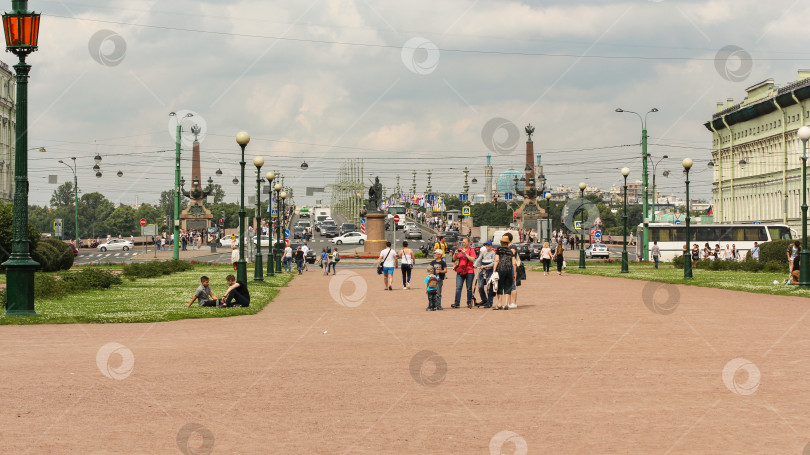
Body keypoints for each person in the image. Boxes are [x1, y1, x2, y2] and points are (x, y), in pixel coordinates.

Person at [452, 237, 477, 308]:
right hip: (460, 270)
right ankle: (457, 302)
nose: (464, 244)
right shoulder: (460, 249)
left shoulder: (471, 250)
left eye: (465, 242)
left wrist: (465, 254)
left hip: (469, 270)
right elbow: (454, 259)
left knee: (469, 287)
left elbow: (472, 259)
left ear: (469, 243)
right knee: (458, 287)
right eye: (463, 242)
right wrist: (455, 254)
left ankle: (469, 302)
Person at [492, 235, 516, 310]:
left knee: (499, 286)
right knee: (508, 287)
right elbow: (514, 263)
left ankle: (499, 304)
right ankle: (506, 304)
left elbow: (496, 260)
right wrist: (514, 273)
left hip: (501, 269)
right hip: (509, 270)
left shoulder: (499, 249)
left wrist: (494, 270)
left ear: (502, 242)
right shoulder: (510, 251)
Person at [474, 240, 495, 308]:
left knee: (489, 288)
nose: (487, 246)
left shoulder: (493, 253)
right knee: (480, 287)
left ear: (491, 246)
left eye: (488, 245)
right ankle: (484, 300)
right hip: (483, 272)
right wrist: (475, 264)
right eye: (486, 245)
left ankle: (490, 302)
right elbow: (478, 259)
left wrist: (486, 266)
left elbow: (494, 263)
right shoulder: (483, 252)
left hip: (489, 271)